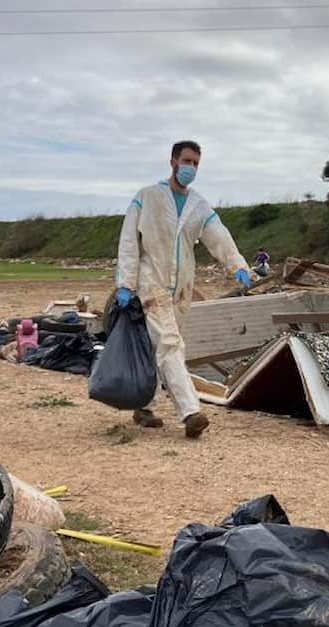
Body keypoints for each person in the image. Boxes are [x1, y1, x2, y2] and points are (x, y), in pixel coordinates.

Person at [115, 140, 251, 439]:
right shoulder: (147, 197)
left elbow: (219, 237)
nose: (191, 168)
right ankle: (190, 412)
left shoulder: (198, 206)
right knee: (170, 344)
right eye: (186, 161)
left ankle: (144, 406)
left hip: (181, 289)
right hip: (150, 283)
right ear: (173, 161)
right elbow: (128, 242)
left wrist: (237, 265)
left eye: (196, 163)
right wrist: (125, 283)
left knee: (157, 347)